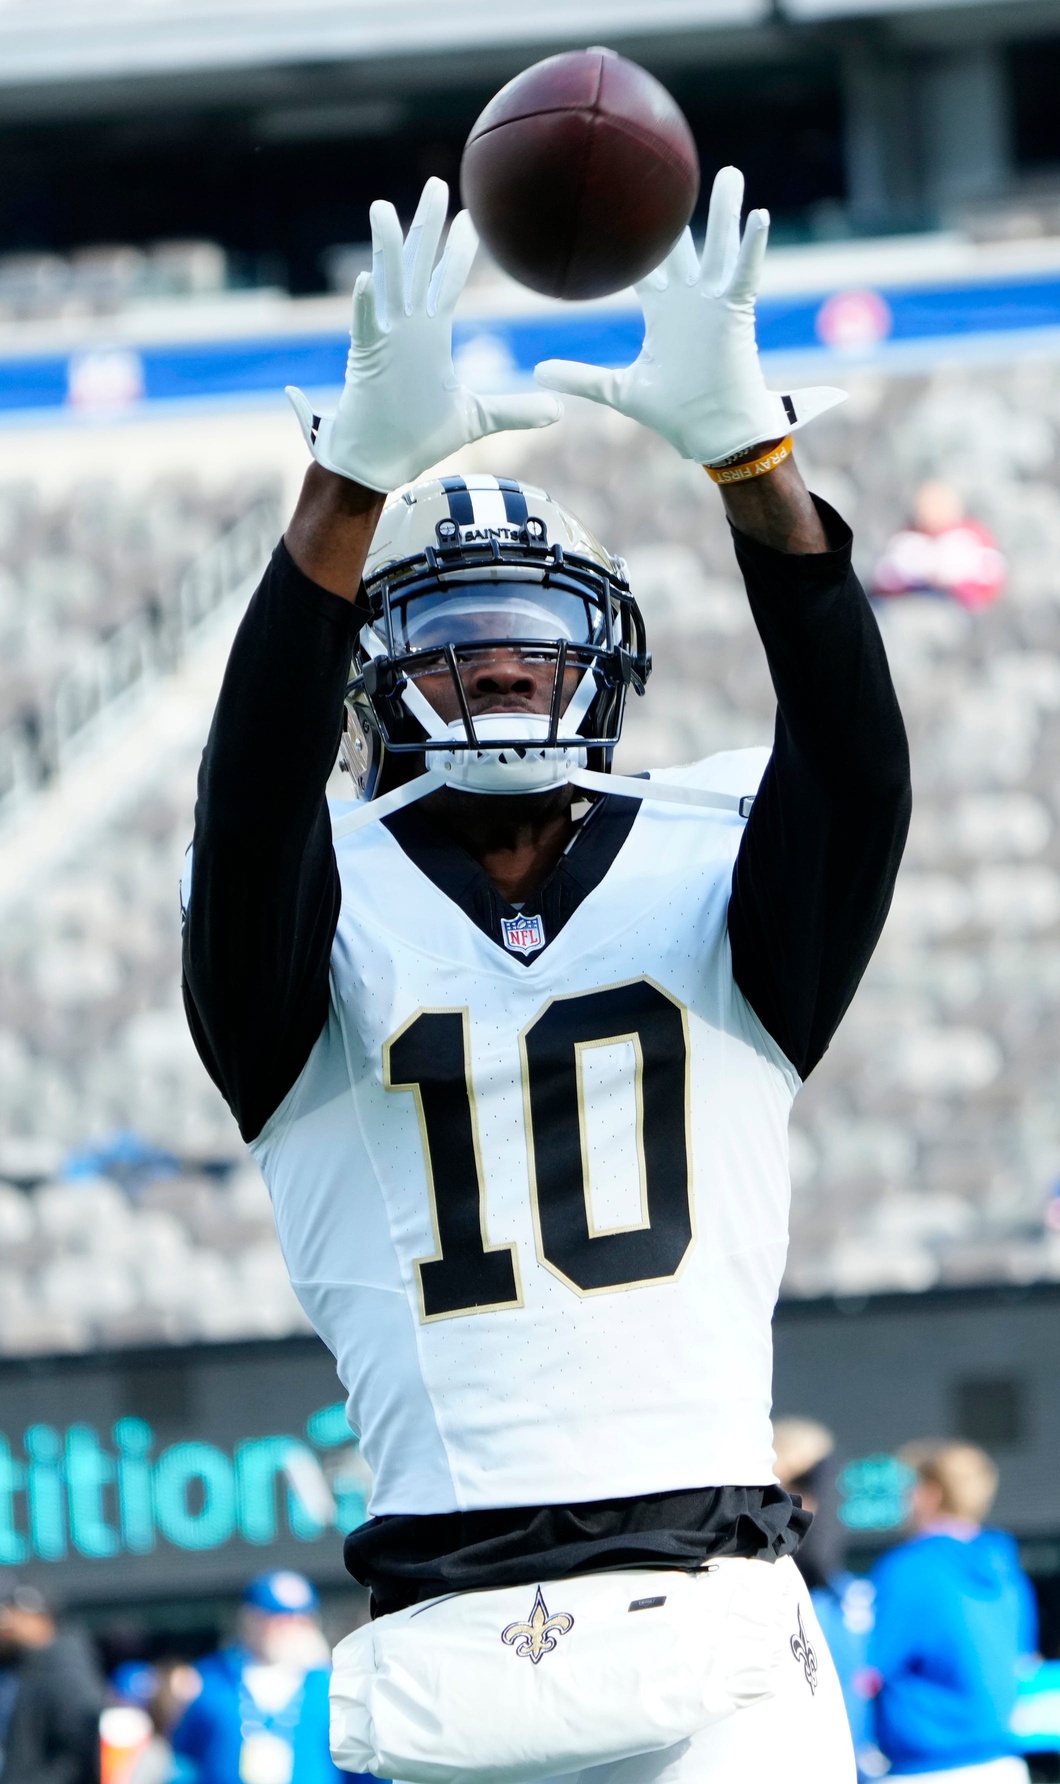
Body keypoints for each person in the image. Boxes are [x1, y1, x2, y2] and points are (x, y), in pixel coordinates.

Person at [182, 166, 910, 1784]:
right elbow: (249, 803)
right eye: (453, 638)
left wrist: (762, 477)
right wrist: (345, 484)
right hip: (447, 1644)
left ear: (607, 662)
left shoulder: (711, 860)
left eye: (532, 634)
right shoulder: (313, 908)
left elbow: (857, 772)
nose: (505, 664)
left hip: (715, 1622)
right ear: (374, 683)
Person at [868, 1441, 1038, 1783]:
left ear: (929, 1494)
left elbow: (867, 1672)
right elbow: (1023, 1662)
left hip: (925, 1770)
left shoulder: (909, 1568)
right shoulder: (1005, 1569)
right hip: (1004, 1766)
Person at [170, 1571, 356, 1784]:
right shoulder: (207, 1681)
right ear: (250, 1620)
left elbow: (361, 1769)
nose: (291, 1629)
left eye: (302, 1620)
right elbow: (184, 1762)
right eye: (279, 1620)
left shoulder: (332, 1685)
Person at [773, 1418, 879, 1779]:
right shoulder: (753, 1596)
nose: (815, 1502)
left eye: (820, 1485)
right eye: (801, 1484)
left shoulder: (851, 1599)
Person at [0, 1581, 104, 1784]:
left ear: (39, 1619)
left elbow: (78, 1751)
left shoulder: (65, 1668)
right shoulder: (25, 1665)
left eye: (13, 1616)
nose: (7, 1626)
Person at [872, 480, 1005, 609]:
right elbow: (883, 581)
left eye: (939, 505)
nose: (933, 511)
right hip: (911, 605)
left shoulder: (972, 537)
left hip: (956, 607)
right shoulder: (907, 538)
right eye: (928, 505)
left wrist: (952, 579)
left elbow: (991, 582)